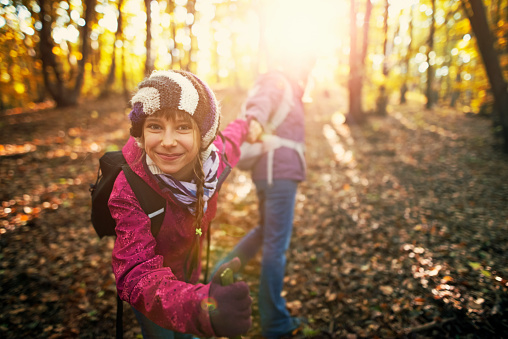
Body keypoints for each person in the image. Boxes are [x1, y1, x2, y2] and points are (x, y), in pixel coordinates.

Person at [109, 70, 261, 338]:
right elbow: (135, 271)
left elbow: (234, 135)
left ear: (203, 134)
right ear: (141, 133)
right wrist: (201, 307)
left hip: (191, 273)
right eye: (155, 126)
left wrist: (251, 123)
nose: (168, 142)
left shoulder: (213, 161)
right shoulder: (130, 187)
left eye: (183, 127)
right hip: (154, 297)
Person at [213, 60, 312, 339]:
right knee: (275, 246)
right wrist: (254, 120)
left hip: (272, 172)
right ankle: (274, 322)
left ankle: (219, 274)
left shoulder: (289, 86)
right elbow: (260, 102)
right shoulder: (277, 79)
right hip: (278, 174)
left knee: (265, 231)